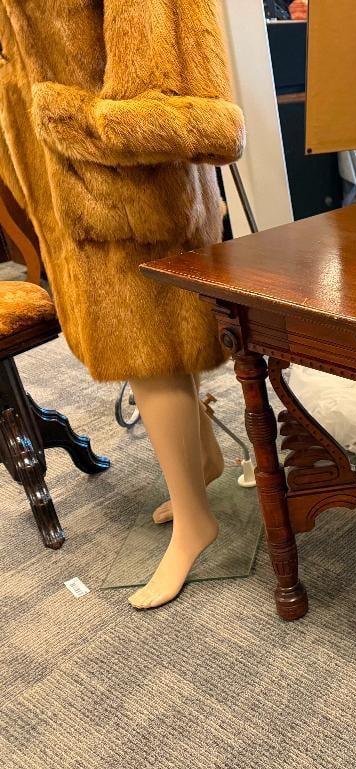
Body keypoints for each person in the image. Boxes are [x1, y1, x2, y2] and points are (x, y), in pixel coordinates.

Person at [0, 1, 245, 609]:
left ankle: (195, 521)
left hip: (123, 192)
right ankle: (205, 461)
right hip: (70, 188)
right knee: (155, 348)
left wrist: (69, 119)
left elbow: (183, 106)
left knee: (151, 353)